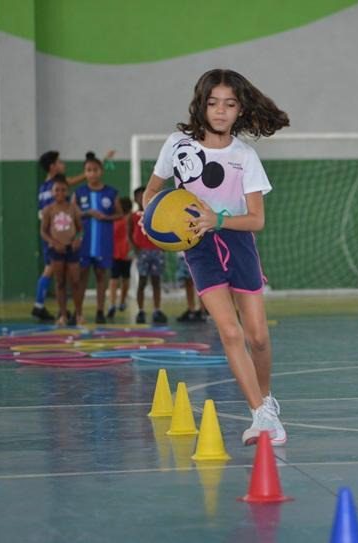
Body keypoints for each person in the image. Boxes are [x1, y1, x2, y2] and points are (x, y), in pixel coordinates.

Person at [143, 68, 289, 446]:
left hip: (238, 242)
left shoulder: (245, 157)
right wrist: (151, 219)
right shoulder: (177, 145)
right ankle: (259, 415)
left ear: (240, 110)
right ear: (201, 105)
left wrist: (218, 219)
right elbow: (152, 192)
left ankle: (267, 401)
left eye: (229, 104)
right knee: (229, 331)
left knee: (258, 337)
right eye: (213, 103)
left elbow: (257, 219)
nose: (220, 111)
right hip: (199, 249)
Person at [73, 152, 123, 324]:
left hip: (103, 243)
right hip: (84, 243)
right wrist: (87, 213)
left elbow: (119, 214)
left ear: (101, 171)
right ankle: (78, 312)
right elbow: (73, 213)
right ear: (85, 173)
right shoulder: (79, 193)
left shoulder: (111, 193)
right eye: (88, 170)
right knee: (81, 278)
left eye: (95, 170)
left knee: (102, 276)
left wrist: (106, 217)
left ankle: (100, 311)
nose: (92, 173)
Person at [40, 176, 83, 325]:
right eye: (56, 190)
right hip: (56, 250)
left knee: (76, 281)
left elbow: (81, 229)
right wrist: (53, 242)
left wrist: (78, 239)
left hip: (72, 249)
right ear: (52, 192)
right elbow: (43, 231)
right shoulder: (48, 210)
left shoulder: (73, 208)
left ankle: (78, 314)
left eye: (63, 190)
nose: (60, 193)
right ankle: (63, 314)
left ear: (67, 191)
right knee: (60, 282)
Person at [129, 187, 167, 324]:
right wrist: (135, 249)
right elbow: (129, 233)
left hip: (156, 250)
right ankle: (140, 310)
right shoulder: (133, 216)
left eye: (144, 196)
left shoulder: (157, 214)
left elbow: (164, 229)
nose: (142, 199)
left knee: (156, 281)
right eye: (139, 196)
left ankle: (157, 309)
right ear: (135, 199)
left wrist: (163, 246)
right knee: (142, 281)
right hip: (142, 252)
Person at [108, 196, 134, 320]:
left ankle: (122, 301)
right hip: (114, 252)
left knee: (125, 278)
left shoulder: (129, 218)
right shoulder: (113, 219)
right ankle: (112, 304)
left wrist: (132, 250)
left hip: (126, 252)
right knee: (114, 278)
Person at [175, 251, 207, 323]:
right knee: (188, 281)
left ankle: (202, 310)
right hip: (183, 253)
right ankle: (191, 310)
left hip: (198, 252)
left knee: (200, 280)